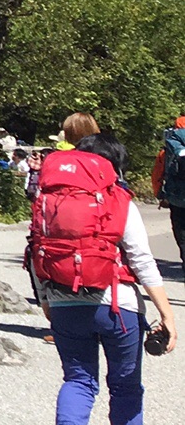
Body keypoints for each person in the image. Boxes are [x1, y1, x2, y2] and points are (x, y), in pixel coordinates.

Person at [32, 117, 177, 425]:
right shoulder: (119, 201)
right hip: (116, 307)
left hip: (64, 304)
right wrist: (167, 315)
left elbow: (36, 247)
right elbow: (141, 260)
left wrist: (46, 299)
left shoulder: (50, 199)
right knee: (125, 388)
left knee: (78, 382)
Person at [157, 115, 185, 264]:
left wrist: (161, 195)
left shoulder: (170, 148)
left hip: (177, 198)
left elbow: (159, 172)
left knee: (181, 234)